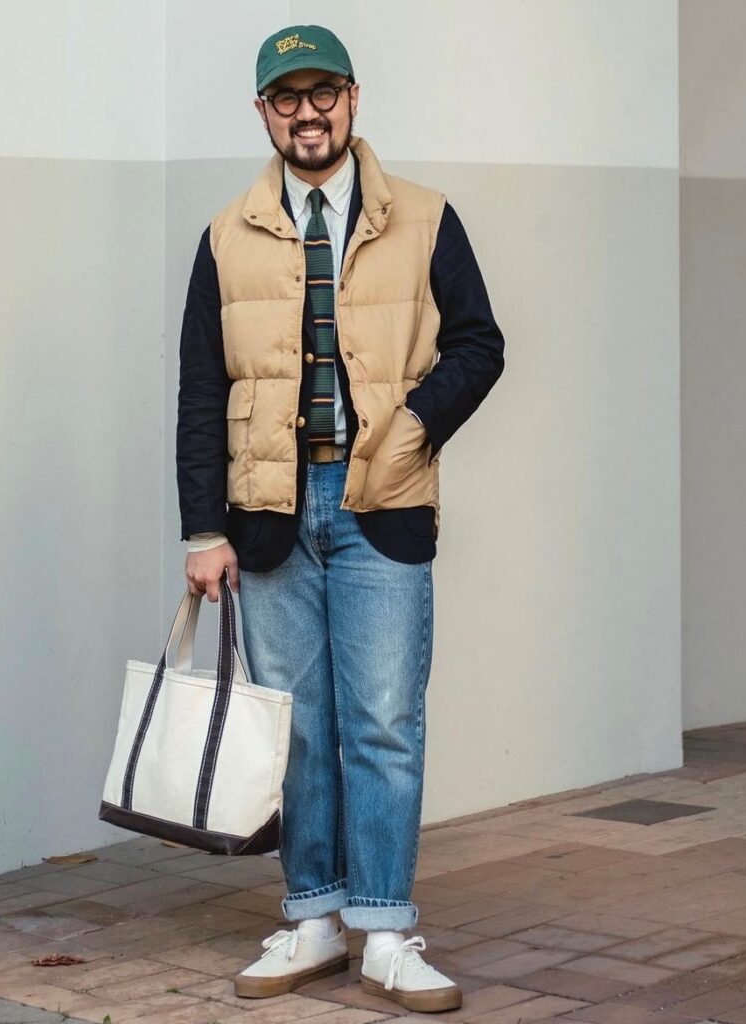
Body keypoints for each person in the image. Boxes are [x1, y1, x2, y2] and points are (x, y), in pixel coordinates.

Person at [176, 23, 505, 1015]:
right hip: (267, 513)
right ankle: (311, 916)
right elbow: (200, 391)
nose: (307, 112)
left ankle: (388, 928)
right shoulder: (225, 236)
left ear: (353, 101)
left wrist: (406, 434)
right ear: (264, 114)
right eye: (287, 98)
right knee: (301, 736)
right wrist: (203, 530)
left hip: (382, 509)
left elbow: (481, 344)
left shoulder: (425, 219)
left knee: (381, 727)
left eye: (323, 94)